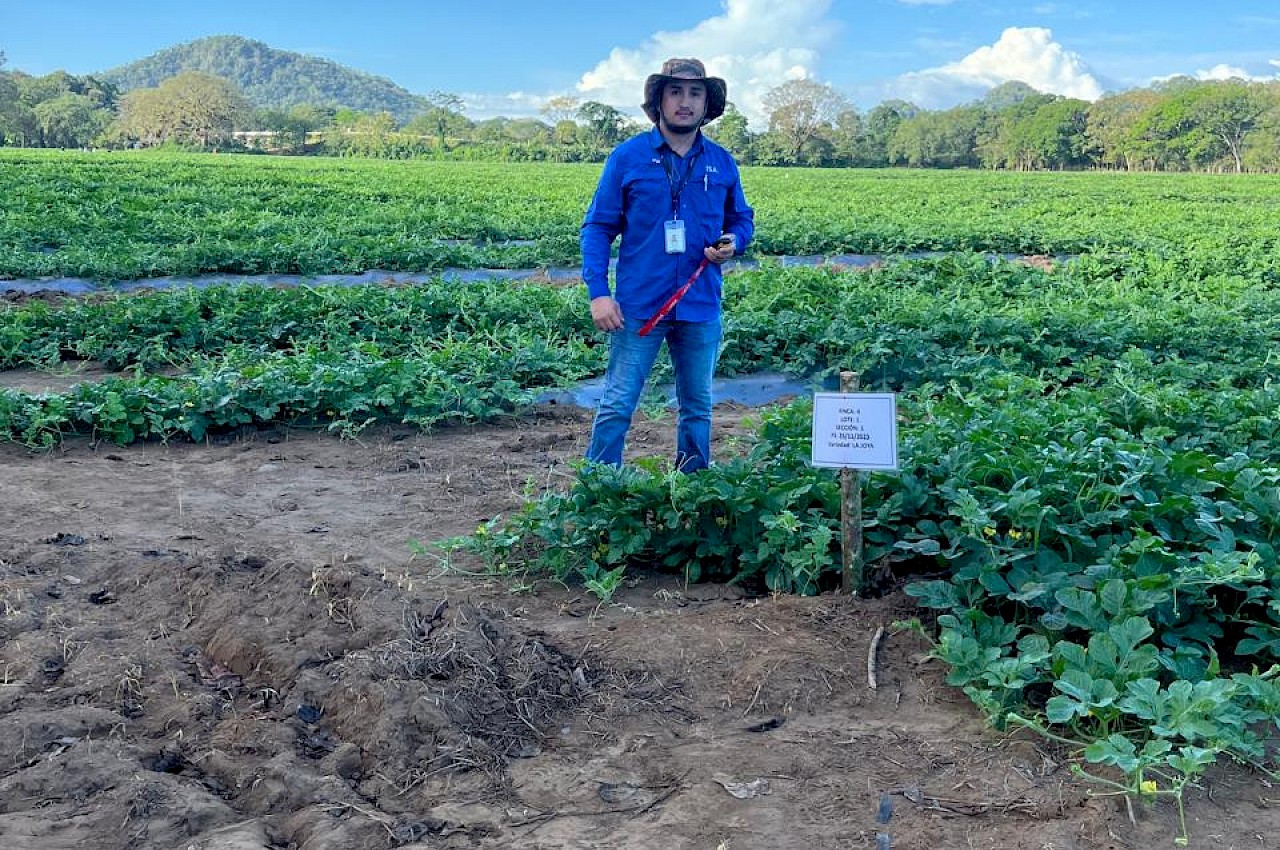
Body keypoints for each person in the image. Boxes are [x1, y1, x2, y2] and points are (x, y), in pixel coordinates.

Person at [580, 57, 755, 472]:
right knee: (618, 402)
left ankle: (692, 488)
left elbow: (741, 218)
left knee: (697, 407)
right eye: (675, 91)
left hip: (700, 303)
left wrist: (734, 241)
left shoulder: (721, 161)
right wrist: (599, 293)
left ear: (706, 104)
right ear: (658, 100)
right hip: (640, 304)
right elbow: (598, 228)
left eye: (695, 93)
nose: (685, 101)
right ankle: (600, 489)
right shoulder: (628, 158)